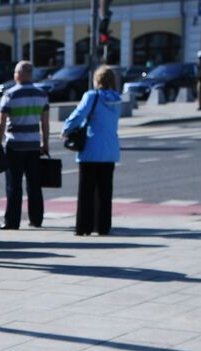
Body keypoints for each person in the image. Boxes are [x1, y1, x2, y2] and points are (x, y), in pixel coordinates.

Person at [64, 65, 122, 237]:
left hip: (91, 148)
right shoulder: (117, 99)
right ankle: (103, 226)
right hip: (110, 149)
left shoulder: (91, 96)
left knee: (86, 191)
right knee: (105, 192)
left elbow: (79, 114)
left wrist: (66, 129)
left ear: (97, 80)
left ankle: (84, 226)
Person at [0, 60, 50, 230]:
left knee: (14, 184)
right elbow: (45, 122)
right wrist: (45, 143)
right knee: (34, 183)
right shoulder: (41, 94)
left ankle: (12, 221)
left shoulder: (10, 94)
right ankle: (36, 218)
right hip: (34, 144)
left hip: (14, 144)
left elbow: (1, 122)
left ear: (18, 75)